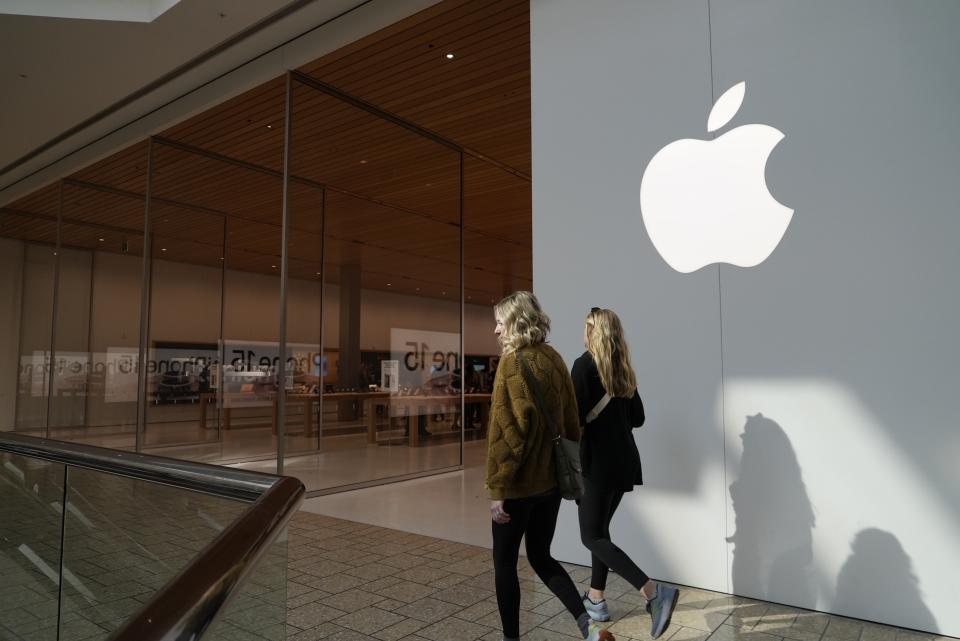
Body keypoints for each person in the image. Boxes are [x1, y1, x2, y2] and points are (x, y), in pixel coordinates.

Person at [485, 291, 614, 641]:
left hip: (519, 485)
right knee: (542, 556)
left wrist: (498, 490)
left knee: (504, 564)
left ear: (515, 323)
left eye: (500, 322)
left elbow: (506, 435)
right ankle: (589, 626)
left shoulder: (512, 364)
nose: (496, 330)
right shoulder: (554, 358)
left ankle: (512, 637)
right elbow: (572, 421)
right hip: (551, 484)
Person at [572, 307, 679, 639]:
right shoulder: (622, 370)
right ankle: (596, 598)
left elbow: (573, 419)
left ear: (592, 331)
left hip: (596, 464)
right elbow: (639, 418)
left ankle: (652, 592)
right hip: (624, 462)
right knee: (601, 531)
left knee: (591, 536)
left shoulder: (583, 365)